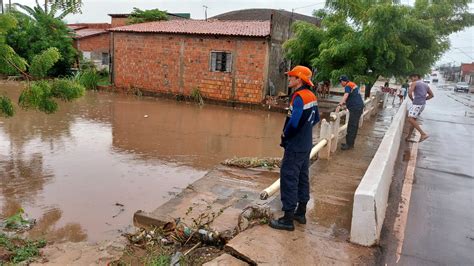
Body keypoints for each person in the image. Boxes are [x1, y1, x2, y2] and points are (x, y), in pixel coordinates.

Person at [270, 65, 320, 231]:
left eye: (292, 76)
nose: (289, 78)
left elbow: (293, 121)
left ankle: (288, 219)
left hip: (295, 146)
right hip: (306, 144)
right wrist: (304, 131)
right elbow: (316, 119)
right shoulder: (311, 96)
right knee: (302, 177)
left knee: (289, 178)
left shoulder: (298, 97)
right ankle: (301, 213)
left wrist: (286, 134)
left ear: (299, 79)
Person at [336, 75, 365, 150]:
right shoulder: (352, 84)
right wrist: (346, 106)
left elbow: (346, 95)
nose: (341, 84)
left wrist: (340, 104)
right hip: (358, 107)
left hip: (355, 108)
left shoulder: (348, 86)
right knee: (354, 126)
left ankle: (348, 145)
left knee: (351, 126)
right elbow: (353, 97)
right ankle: (350, 143)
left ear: (343, 81)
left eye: (341, 82)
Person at [406, 74, 434, 142]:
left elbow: (409, 93)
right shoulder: (426, 85)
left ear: (417, 77)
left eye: (413, 77)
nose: (412, 78)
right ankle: (408, 137)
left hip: (417, 104)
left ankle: (423, 134)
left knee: (410, 119)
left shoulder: (414, 83)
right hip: (422, 104)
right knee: (413, 120)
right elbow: (431, 95)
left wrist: (412, 99)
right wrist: (424, 99)